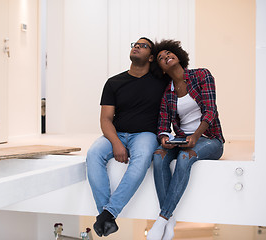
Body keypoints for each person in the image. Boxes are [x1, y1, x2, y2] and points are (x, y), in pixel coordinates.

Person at [86, 37, 168, 237]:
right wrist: (116, 143)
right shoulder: (114, 82)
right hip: (118, 133)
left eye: (143, 45)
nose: (137, 46)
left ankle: (107, 214)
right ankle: (107, 215)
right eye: (135, 44)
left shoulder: (162, 82)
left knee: (141, 159)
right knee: (93, 154)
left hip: (145, 135)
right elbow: (106, 119)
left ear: (150, 58)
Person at [147, 39, 225, 240]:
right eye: (161, 59)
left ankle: (163, 219)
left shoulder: (201, 75)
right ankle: (170, 219)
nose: (166, 57)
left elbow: (210, 110)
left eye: (168, 53)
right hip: (182, 139)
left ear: (178, 55)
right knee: (158, 156)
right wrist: (164, 138)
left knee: (184, 157)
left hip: (210, 139)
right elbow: (163, 126)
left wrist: (195, 136)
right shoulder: (167, 94)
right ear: (162, 69)